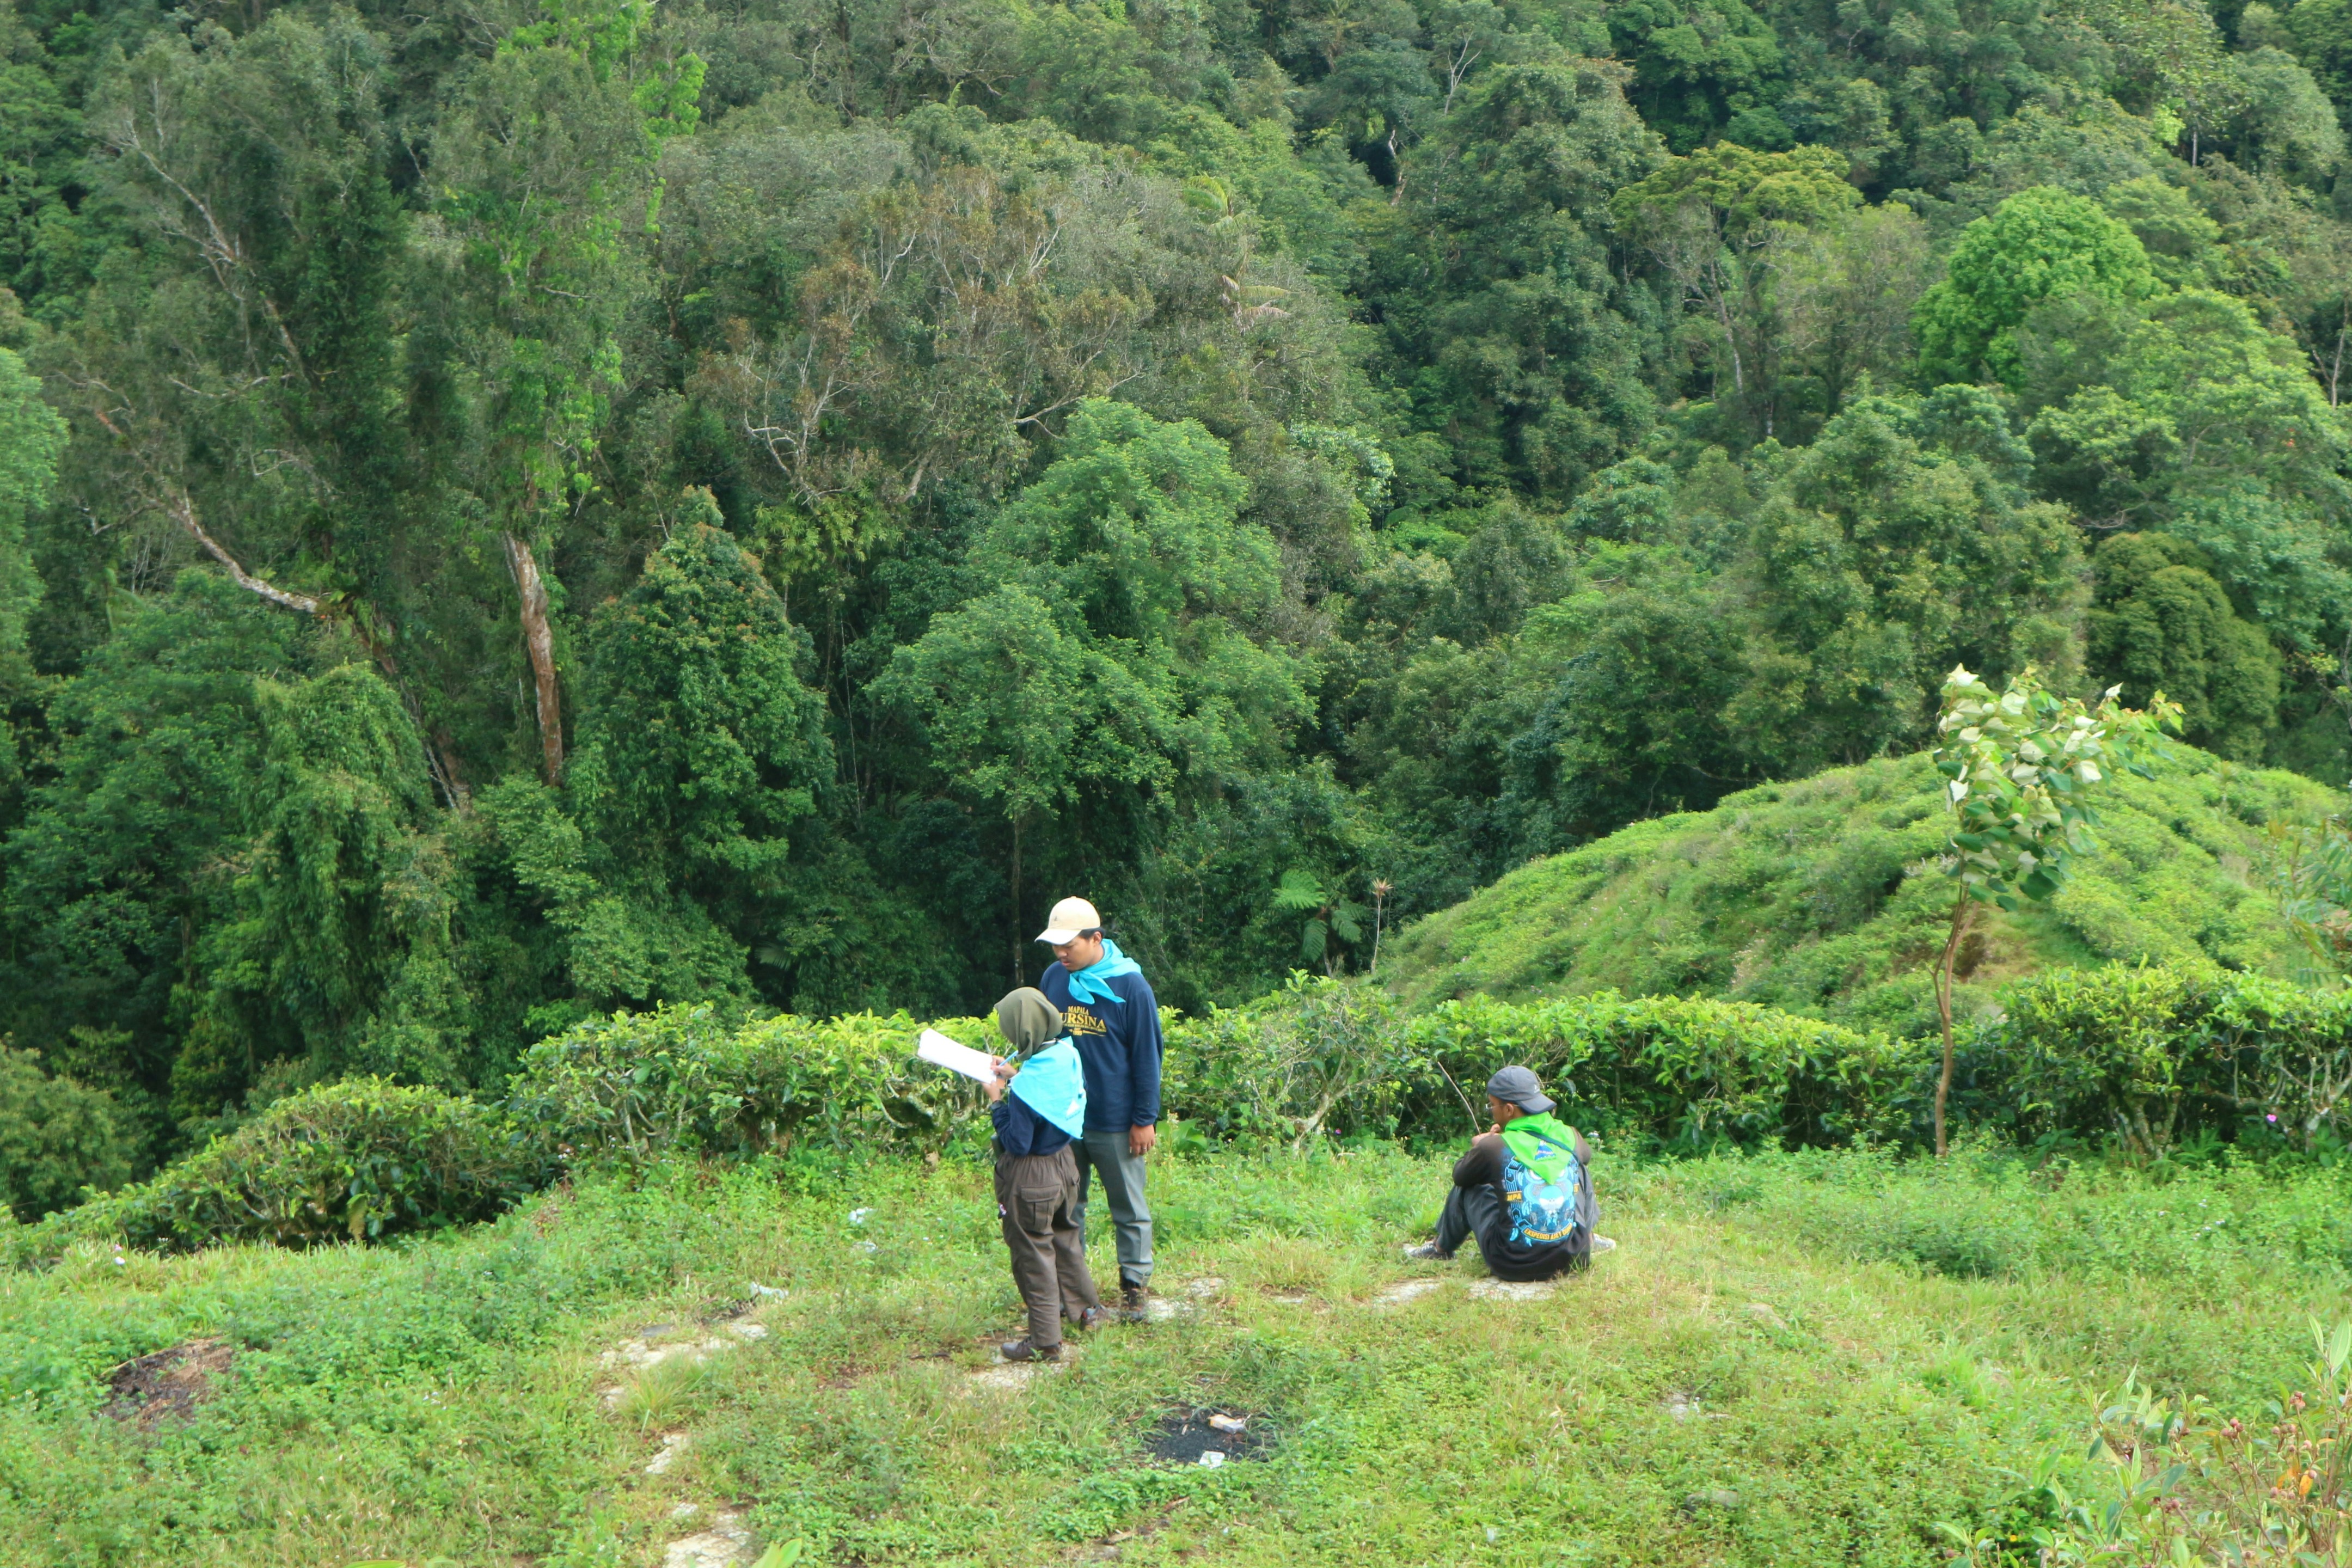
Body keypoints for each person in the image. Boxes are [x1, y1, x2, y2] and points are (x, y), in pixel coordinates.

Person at [1034, 896, 1162, 1320]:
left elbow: (1147, 1057)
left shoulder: (1131, 987)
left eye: (1069, 945)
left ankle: (1134, 1287)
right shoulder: (1053, 979)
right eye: (1056, 945)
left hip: (1115, 1119)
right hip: (1065, 1117)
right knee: (1068, 1207)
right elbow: (1043, 1043)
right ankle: (1074, 1290)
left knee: (1128, 1206)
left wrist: (1144, 1119)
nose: (1061, 953)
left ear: (1096, 939)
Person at [983, 987, 1105, 1362]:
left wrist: (997, 1098)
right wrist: (1016, 1074)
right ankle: (1088, 1311)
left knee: (1033, 1253)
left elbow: (1018, 1141)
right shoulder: (1065, 1053)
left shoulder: (1024, 1089)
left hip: (1032, 1176)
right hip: (1065, 1165)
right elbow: (1046, 1094)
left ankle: (1044, 1340)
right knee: (1066, 1240)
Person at [1404, 1066, 1603, 1282]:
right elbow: (1586, 1156)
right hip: (1573, 1260)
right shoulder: (1569, 1135)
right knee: (1579, 1167)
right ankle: (1588, 1239)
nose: (1492, 1111)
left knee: (1471, 1181)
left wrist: (1479, 1147)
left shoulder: (1493, 1147)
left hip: (1511, 1262)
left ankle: (1441, 1248)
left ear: (1509, 1110)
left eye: (1492, 1105)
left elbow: (1460, 1176)